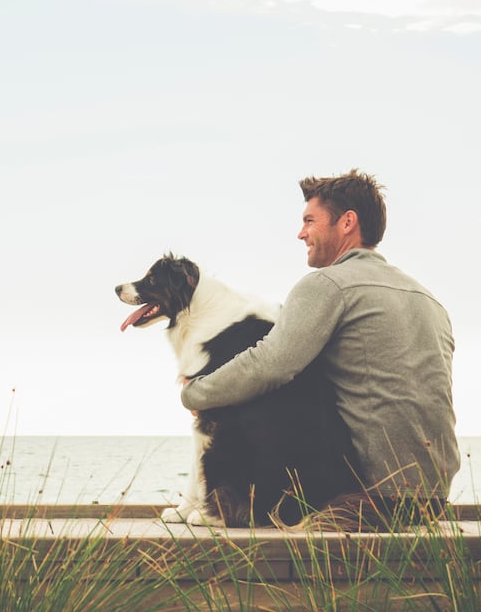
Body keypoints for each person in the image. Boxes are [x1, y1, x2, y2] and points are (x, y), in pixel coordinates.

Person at [180, 169, 459, 529]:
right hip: (431, 499)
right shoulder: (427, 298)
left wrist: (198, 394)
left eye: (309, 221)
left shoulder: (328, 284)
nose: (301, 233)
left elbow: (270, 364)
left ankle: (227, 508)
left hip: (365, 497)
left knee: (261, 385)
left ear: (347, 223)